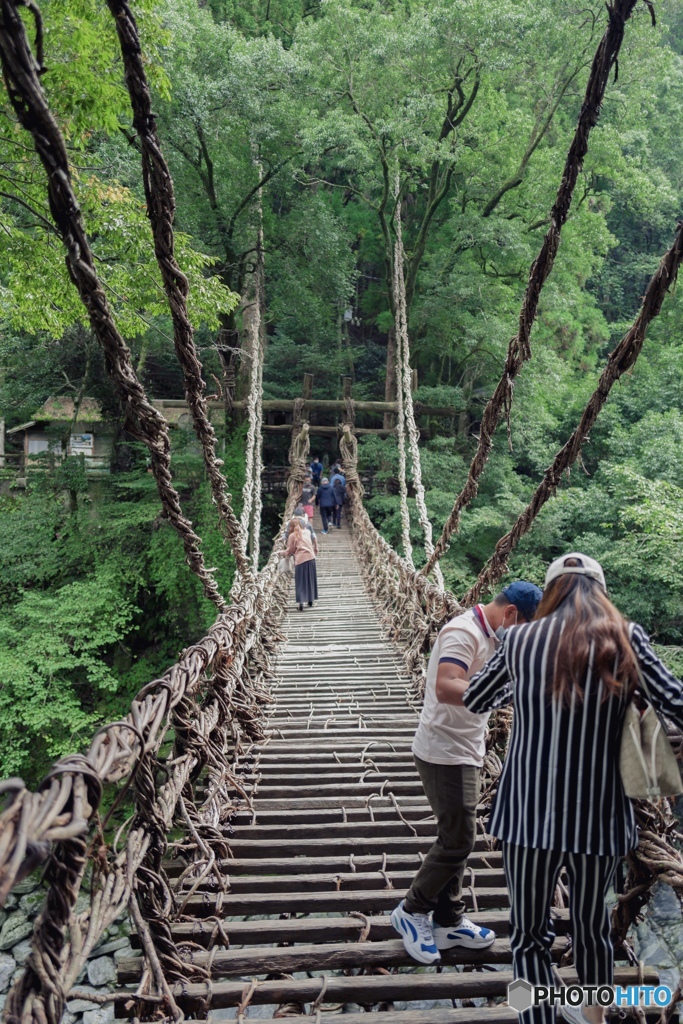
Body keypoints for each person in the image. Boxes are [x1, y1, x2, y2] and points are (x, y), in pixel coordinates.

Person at [462, 554, 683, 1024]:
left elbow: (477, 697)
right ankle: (595, 1016)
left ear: (552, 592)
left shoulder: (518, 639)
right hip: (599, 822)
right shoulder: (628, 639)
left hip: (526, 816)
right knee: (592, 931)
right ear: (600, 592)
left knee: (527, 935)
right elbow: (678, 704)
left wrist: (521, 687)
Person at [390, 580, 543, 965]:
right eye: (525, 627)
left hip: (465, 748)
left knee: (458, 836)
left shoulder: (494, 636)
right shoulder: (464, 631)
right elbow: (445, 686)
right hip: (444, 750)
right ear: (510, 615)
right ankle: (411, 911)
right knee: (458, 840)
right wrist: (507, 692)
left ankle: (448, 919)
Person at [279, 517, 318, 611]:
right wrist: (316, 547)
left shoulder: (292, 536)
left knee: (300, 581)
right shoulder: (307, 532)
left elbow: (289, 551)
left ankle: (301, 603)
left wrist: (280, 553)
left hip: (300, 560)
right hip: (311, 558)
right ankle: (310, 600)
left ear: (291, 527)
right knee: (310, 579)